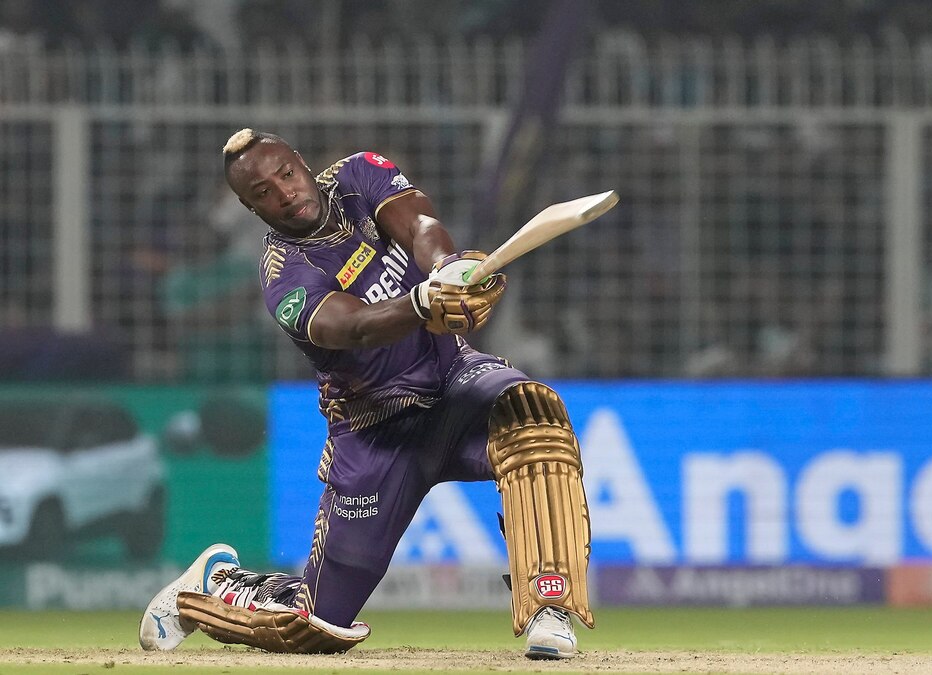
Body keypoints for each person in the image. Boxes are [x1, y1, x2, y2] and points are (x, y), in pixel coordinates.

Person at [138, 129, 594, 659]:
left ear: (301, 163)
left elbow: (420, 225)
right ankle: (214, 586)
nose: (285, 193)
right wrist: (423, 303)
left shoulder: (358, 175)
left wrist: (447, 269)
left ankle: (549, 605)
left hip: (454, 380)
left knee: (534, 420)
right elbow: (354, 327)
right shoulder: (284, 276)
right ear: (250, 207)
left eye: (286, 174)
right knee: (314, 627)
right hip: (375, 431)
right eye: (263, 192)